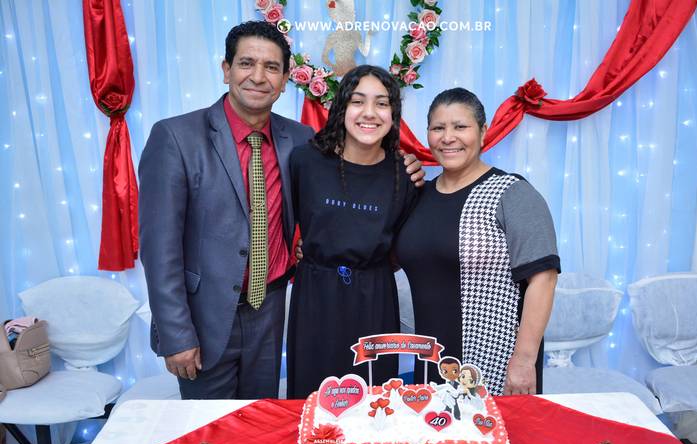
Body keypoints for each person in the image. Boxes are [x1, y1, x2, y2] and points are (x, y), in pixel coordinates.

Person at [139, 21, 425, 399]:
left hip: (271, 311)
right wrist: (176, 335)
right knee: (212, 427)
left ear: (286, 79)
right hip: (205, 316)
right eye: (246, 63)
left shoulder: (300, 142)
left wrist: (403, 165)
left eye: (271, 67)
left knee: (264, 420)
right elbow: (159, 248)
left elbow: (339, 192)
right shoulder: (176, 137)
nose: (258, 77)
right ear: (226, 69)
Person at [395, 88, 560, 396]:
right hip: (432, 360)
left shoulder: (511, 192)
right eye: (438, 128)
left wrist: (524, 361)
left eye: (460, 126)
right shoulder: (418, 195)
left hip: (496, 362)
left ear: (483, 132)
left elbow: (544, 278)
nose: (448, 137)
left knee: (493, 428)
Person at [286, 65, 417, 399]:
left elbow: (407, 243)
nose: (369, 113)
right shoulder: (305, 160)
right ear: (342, 107)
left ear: (393, 113)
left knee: (374, 402)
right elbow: (281, 220)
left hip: (375, 301)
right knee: (313, 400)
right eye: (358, 101)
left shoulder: (404, 173)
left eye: (381, 103)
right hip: (315, 297)